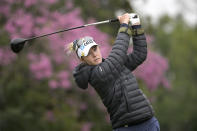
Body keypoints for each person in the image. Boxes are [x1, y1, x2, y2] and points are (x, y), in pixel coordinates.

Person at [66, 13, 160, 131]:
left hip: (149, 123)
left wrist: (136, 25)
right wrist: (124, 25)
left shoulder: (114, 64)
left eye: (95, 49)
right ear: (82, 59)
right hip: (127, 128)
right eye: (89, 53)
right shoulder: (96, 75)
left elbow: (139, 54)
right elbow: (118, 54)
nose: (94, 54)